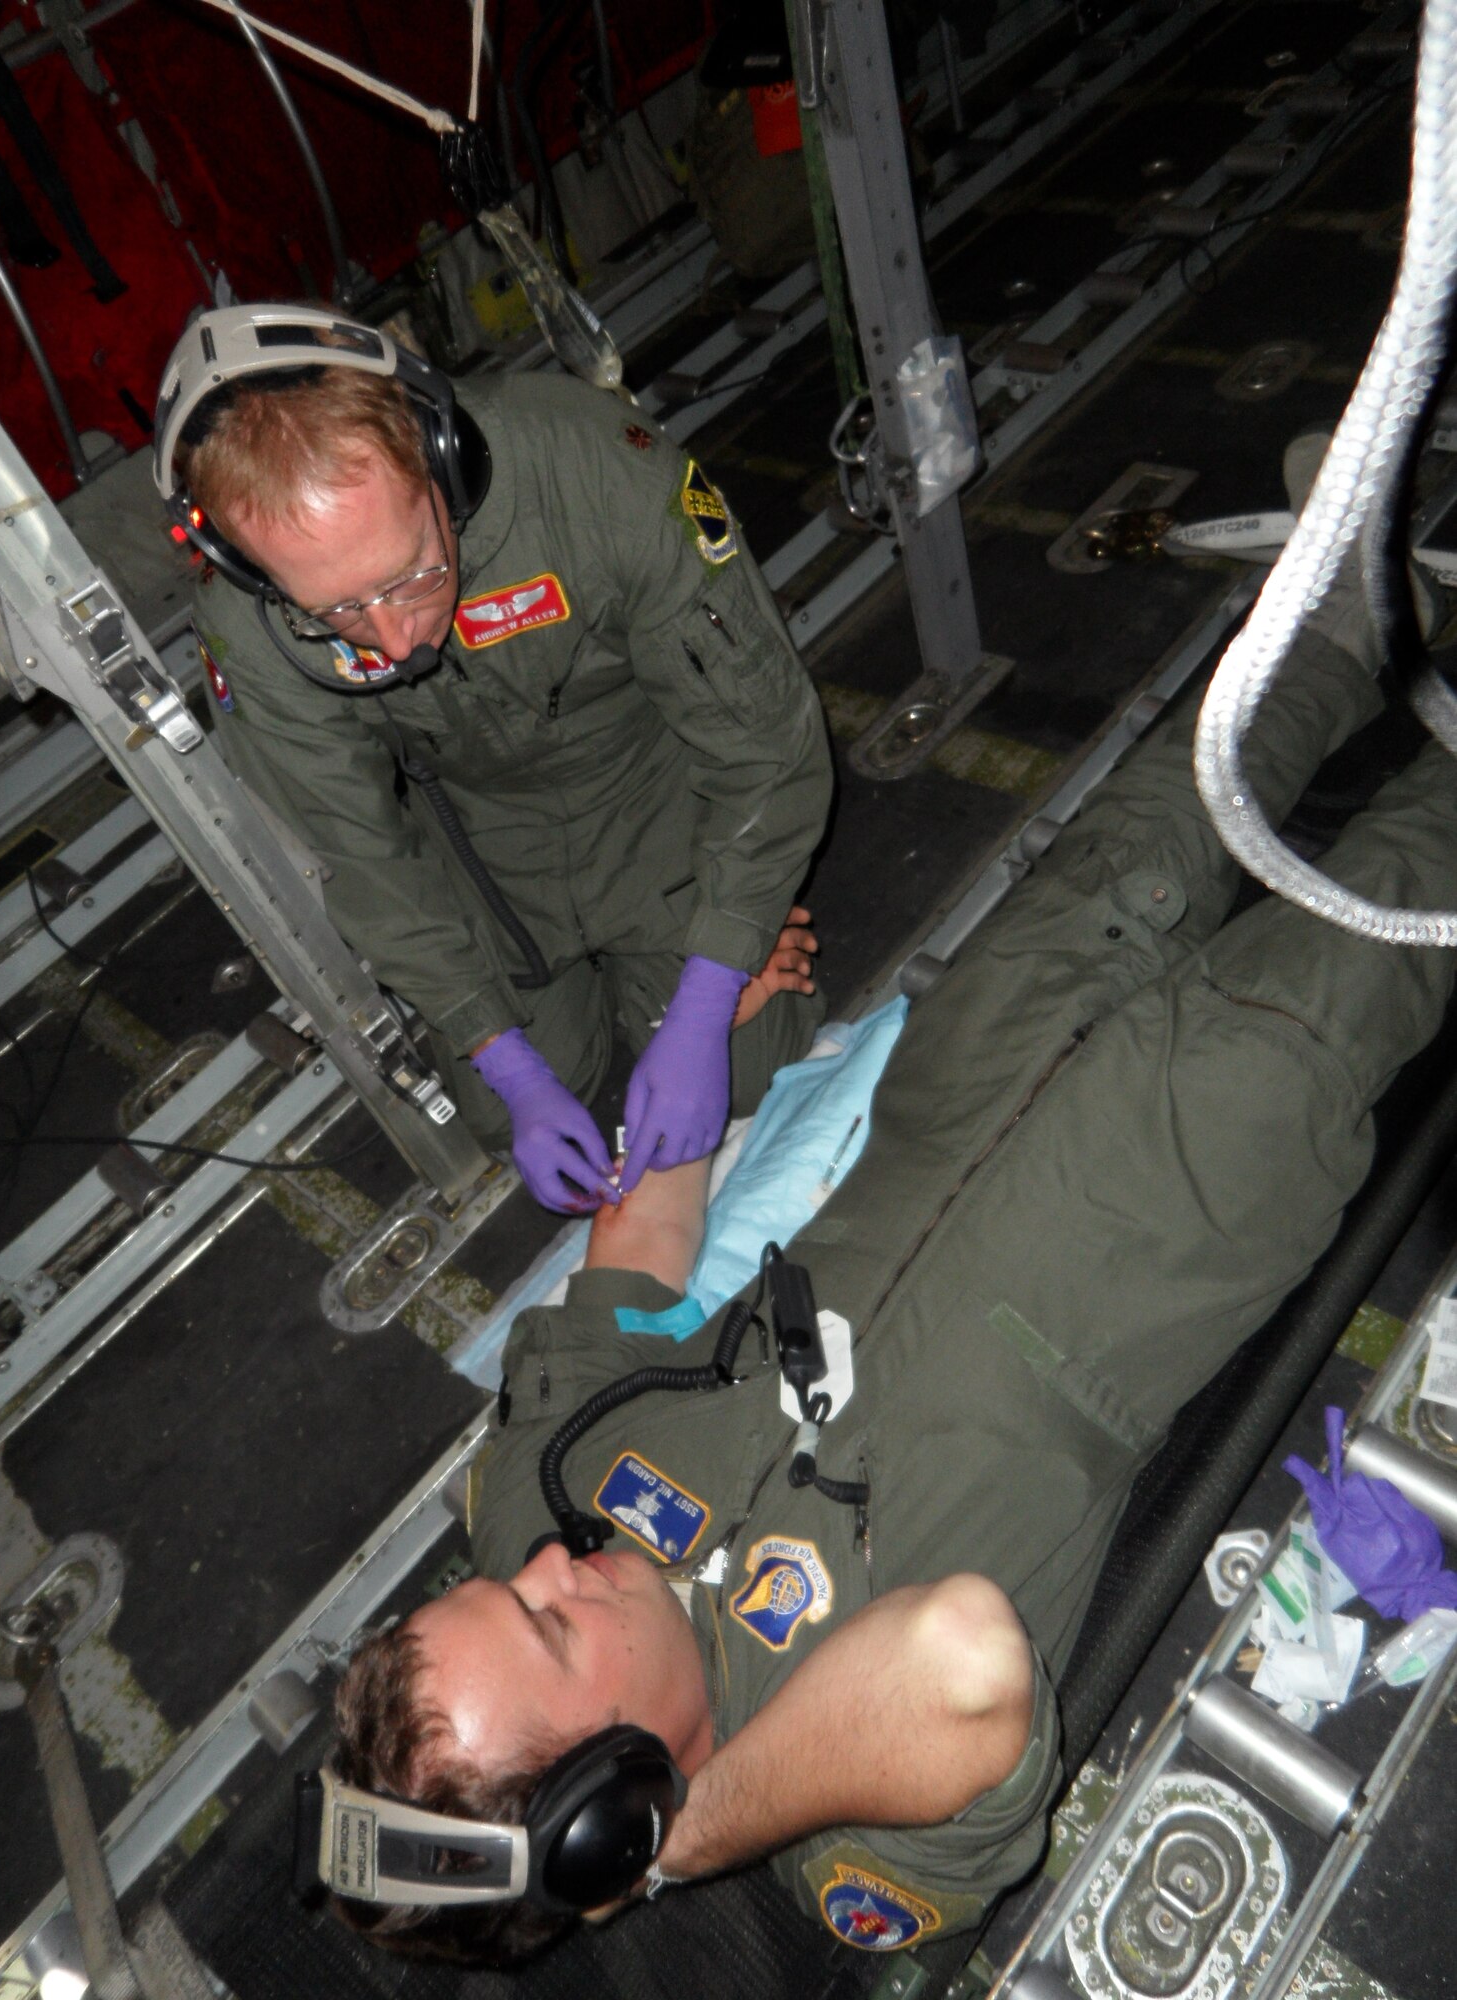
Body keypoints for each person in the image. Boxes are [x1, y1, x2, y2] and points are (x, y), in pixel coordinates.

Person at [324, 452, 1457, 1965]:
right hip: (1170, 1207)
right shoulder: (852, 1835)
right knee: (1394, 892)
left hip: (952, 1091)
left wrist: (698, 1061)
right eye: (547, 1626)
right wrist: (676, 1838)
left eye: (496, 1586)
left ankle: (1361, 603)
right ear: (612, 1793)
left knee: (1163, 805)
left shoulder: (539, 1496)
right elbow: (961, 1656)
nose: (538, 1563)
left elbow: (642, 1256)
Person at [154, 305, 832, 1213]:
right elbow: (357, 856)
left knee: (757, 1066)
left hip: (652, 786)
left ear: (440, 457)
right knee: (491, 1116)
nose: (395, 641)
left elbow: (763, 739)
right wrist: (504, 1062)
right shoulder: (249, 622)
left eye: (413, 574)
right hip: (482, 840)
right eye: (339, 611)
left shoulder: (591, 468)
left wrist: (717, 978)